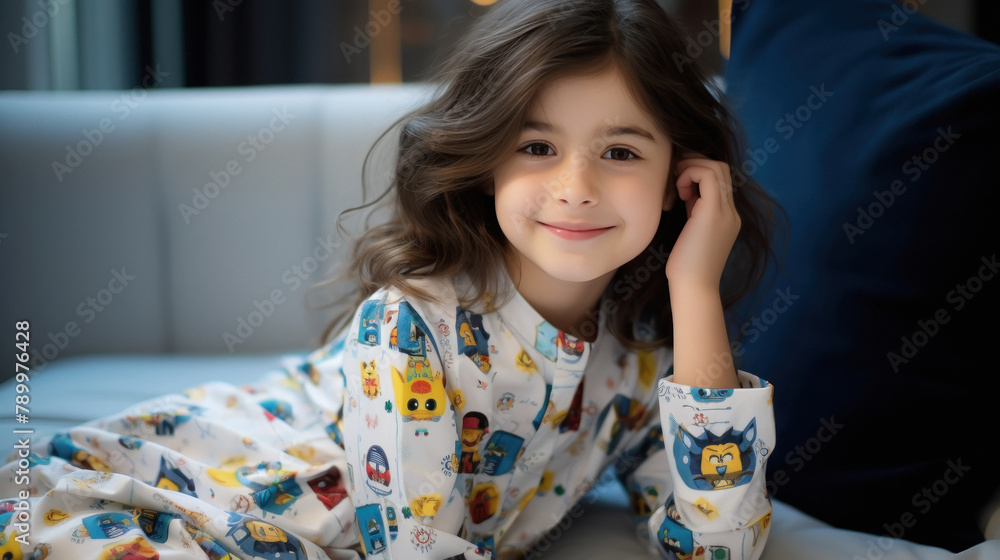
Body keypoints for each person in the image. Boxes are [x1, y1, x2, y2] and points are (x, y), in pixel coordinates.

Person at [0, 1, 780, 558]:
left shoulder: (641, 376)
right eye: (537, 147)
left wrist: (694, 287)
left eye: (620, 152)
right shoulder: (406, 326)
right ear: (486, 164)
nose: (576, 185)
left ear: (680, 178)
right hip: (198, 495)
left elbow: (719, 544)